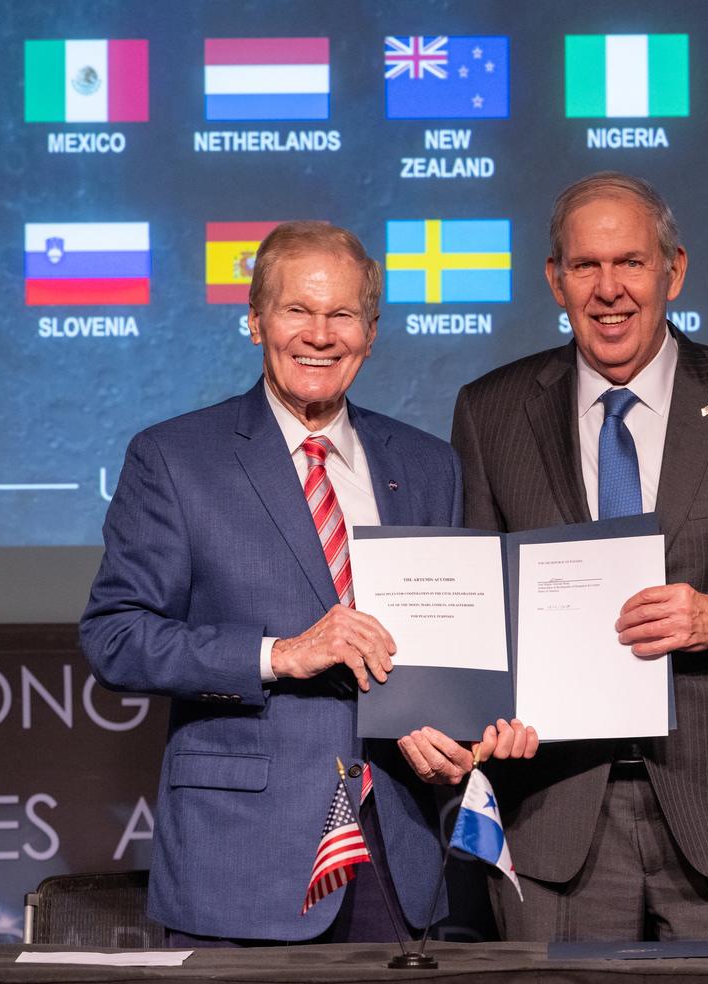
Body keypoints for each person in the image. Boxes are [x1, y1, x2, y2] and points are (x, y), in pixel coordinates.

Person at [80, 221, 532, 945]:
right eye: (297, 310)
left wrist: (460, 734)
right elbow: (116, 636)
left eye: (342, 314)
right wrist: (278, 654)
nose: (319, 335)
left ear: (372, 331)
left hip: (400, 850)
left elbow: (444, 646)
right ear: (255, 318)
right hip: (244, 861)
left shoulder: (426, 464)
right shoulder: (175, 458)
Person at [442, 172, 708, 941]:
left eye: (631, 263)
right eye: (585, 265)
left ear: (673, 271)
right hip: (553, 814)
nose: (609, 288)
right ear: (554, 279)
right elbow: (472, 606)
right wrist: (479, 708)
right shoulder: (490, 413)